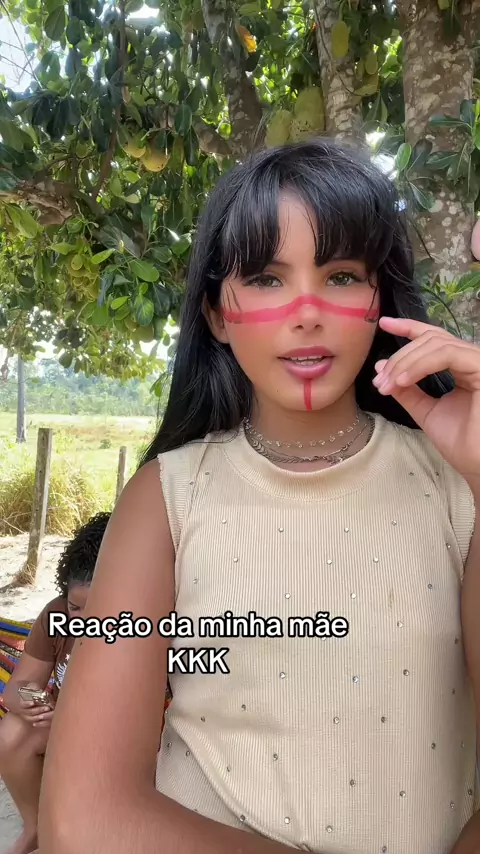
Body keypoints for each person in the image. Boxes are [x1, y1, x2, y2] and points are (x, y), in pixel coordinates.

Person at [38, 140, 480, 854]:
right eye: (268, 278)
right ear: (217, 314)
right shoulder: (167, 500)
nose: (307, 312)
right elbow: (85, 818)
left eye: (341, 275)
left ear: (380, 303)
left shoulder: (457, 485)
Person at [0, 511, 110, 854]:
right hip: (65, 726)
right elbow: (17, 688)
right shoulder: (55, 616)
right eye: (76, 608)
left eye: (100, 609)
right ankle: (36, 826)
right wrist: (39, 701)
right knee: (12, 732)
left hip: (120, 739)